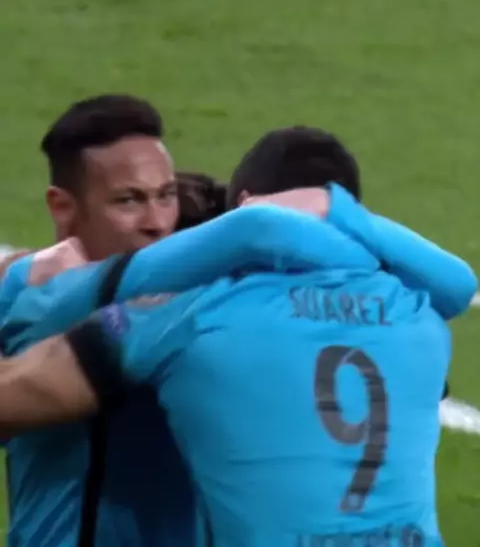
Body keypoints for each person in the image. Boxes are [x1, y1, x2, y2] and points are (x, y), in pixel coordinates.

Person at [0, 128, 476, 546]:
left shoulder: (191, 318)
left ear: (240, 212)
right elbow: (457, 283)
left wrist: (21, 282)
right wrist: (337, 210)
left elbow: (19, 393)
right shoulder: (421, 323)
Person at [0, 93, 223, 547]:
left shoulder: (191, 304)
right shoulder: (41, 309)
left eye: (166, 196)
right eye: (129, 201)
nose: (157, 223)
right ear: (63, 208)